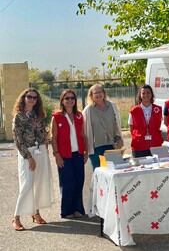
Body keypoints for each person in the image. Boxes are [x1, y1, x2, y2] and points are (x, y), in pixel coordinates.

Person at [11, 88, 54, 231]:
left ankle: (35, 213)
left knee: (39, 183)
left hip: (40, 150)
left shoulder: (38, 115)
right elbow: (18, 140)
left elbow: (42, 132)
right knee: (27, 184)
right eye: (29, 97)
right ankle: (16, 217)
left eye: (35, 98)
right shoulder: (19, 116)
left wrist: (46, 141)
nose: (32, 99)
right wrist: (29, 157)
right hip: (27, 153)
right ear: (23, 98)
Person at [51, 90, 88, 218]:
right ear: (62, 100)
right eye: (67, 98)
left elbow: (83, 135)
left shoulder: (79, 115)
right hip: (64, 156)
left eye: (72, 98)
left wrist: (86, 152)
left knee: (79, 182)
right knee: (67, 184)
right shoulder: (56, 117)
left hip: (78, 154)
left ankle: (78, 209)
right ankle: (66, 211)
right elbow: (53, 138)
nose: (70, 100)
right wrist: (57, 155)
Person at [82, 84, 122, 170]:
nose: (98, 94)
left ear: (104, 93)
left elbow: (117, 124)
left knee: (112, 170)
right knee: (100, 172)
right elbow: (84, 131)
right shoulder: (87, 110)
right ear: (91, 96)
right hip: (96, 149)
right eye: (95, 93)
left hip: (112, 146)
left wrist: (119, 138)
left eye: (100, 92)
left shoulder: (112, 106)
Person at [129, 84, 164, 157]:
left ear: (151, 94)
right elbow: (131, 128)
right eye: (143, 93)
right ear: (140, 95)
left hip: (155, 144)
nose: (146, 95)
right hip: (139, 146)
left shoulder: (158, 109)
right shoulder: (134, 110)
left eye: (148, 92)